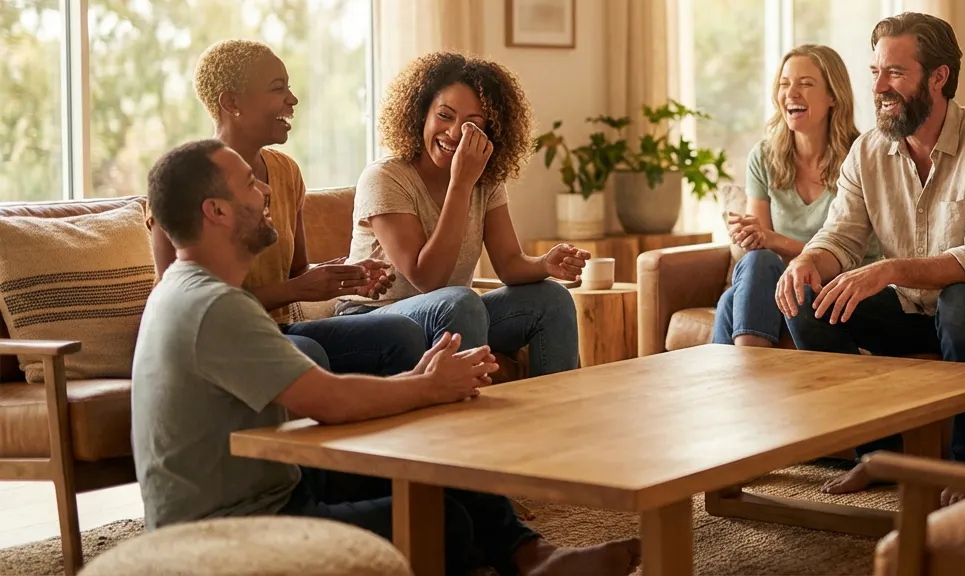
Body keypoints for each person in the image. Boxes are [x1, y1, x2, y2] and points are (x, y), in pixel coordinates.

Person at [132, 139, 638, 575]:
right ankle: (524, 556)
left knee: (436, 468)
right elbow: (329, 402)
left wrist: (417, 378)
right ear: (215, 212)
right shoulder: (213, 305)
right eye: (248, 185)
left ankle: (533, 556)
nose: (264, 191)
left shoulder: (201, 292)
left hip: (274, 487)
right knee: (442, 523)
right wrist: (428, 386)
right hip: (230, 531)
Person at [775, 12, 965, 496]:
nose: (879, 86)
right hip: (914, 308)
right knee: (808, 299)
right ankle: (880, 457)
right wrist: (807, 261)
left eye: (896, 73)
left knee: (960, 302)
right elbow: (839, 237)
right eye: (876, 72)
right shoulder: (867, 152)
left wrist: (888, 270)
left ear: (938, 77)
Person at [151, 39, 425, 376]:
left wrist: (347, 278)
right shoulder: (183, 179)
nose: (292, 99)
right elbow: (180, 303)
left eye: (289, 87)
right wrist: (294, 289)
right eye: (277, 88)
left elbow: (296, 273)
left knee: (402, 334)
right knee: (305, 351)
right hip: (218, 342)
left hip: (274, 332)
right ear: (232, 102)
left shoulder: (286, 172)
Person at [336, 51, 583, 377]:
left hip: (454, 314)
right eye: (444, 115)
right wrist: (461, 183)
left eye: (472, 125)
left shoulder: (485, 181)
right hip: (375, 320)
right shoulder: (385, 177)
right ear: (421, 113)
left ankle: (557, 418)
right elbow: (428, 279)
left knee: (552, 299)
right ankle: (468, 424)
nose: (454, 133)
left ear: (490, 134)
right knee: (460, 300)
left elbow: (508, 264)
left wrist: (544, 264)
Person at [712, 44, 879, 348]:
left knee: (729, 302)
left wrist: (773, 240)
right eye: (784, 84)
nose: (791, 93)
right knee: (756, 264)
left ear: (833, 96)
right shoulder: (764, 157)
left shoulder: (862, 156)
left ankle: (738, 380)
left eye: (805, 83)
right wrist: (750, 235)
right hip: (781, 283)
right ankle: (748, 371)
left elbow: (847, 256)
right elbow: (760, 252)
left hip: (842, 283)